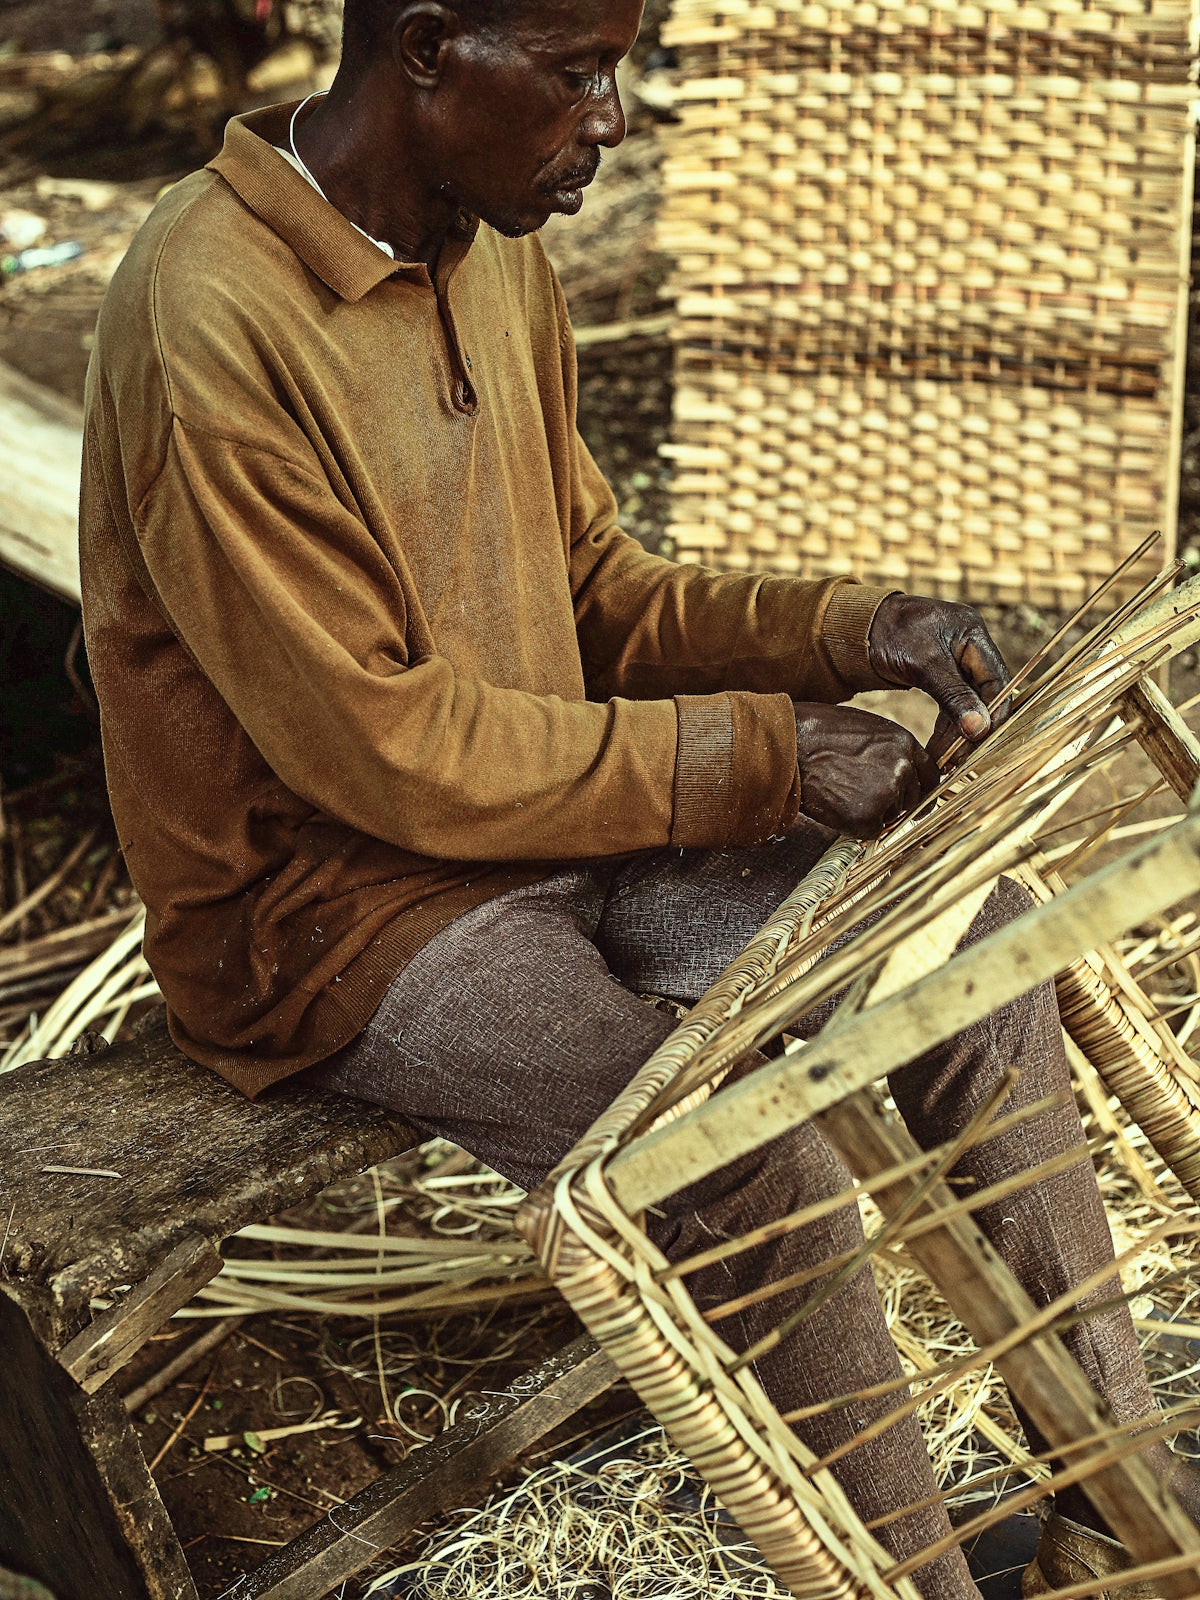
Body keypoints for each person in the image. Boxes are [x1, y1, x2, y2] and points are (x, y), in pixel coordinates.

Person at [78, 1, 1199, 1594]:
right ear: (427, 52)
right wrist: (769, 756)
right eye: (581, 71)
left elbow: (594, 585)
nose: (615, 117)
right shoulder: (208, 313)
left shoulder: (487, 237)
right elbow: (379, 751)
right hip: (338, 915)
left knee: (977, 945)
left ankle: (1133, 1526)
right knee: (744, 1168)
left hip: (555, 813)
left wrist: (841, 630)